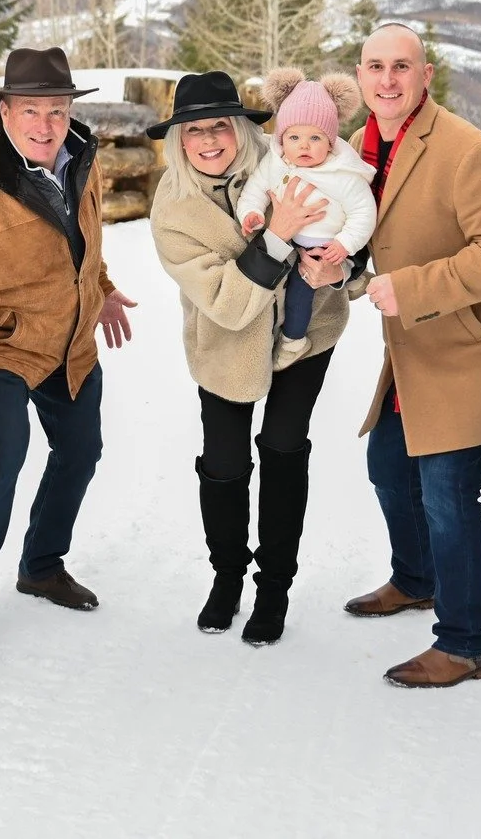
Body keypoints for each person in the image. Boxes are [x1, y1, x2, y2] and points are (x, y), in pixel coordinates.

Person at [0, 46, 135, 668]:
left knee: (80, 450)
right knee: (4, 455)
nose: (46, 124)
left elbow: (81, 240)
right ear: (5, 112)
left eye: (57, 109)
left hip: (68, 338)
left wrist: (101, 287)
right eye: (32, 110)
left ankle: (42, 564)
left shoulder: (81, 158)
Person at [343, 22, 481, 689]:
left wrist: (410, 287)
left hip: (471, 344)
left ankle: (464, 642)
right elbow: (359, 239)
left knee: (448, 492)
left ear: (426, 75)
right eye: (376, 66)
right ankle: (416, 576)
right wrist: (333, 265)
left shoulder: (464, 149)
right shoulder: (359, 150)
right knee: (388, 463)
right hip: (416, 345)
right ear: (360, 75)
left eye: (403, 66)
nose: (388, 79)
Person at [149, 71, 354, 644]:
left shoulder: (296, 159)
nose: (209, 139)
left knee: (284, 448)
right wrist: (278, 235)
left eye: (221, 125)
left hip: (306, 332)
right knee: (224, 461)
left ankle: (275, 585)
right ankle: (227, 574)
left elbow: (355, 228)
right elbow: (224, 302)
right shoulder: (173, 209)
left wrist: (344, 269)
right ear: (178, 139)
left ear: (242, 128)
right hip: (225, 340)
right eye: (194, 130)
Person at [234, 68, 374, 370]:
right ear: (283, 138)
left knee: (301, 290)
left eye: (315, 137)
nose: (304, 145)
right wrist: (251, 213)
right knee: (269, 285)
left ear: (331, 141)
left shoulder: (343, 174)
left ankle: (293, 340)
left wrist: (344, 244)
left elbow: (364, 212)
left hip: (322, 248)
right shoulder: (276, 163)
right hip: (286, 242)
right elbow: (254, 190)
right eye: (294, 136)